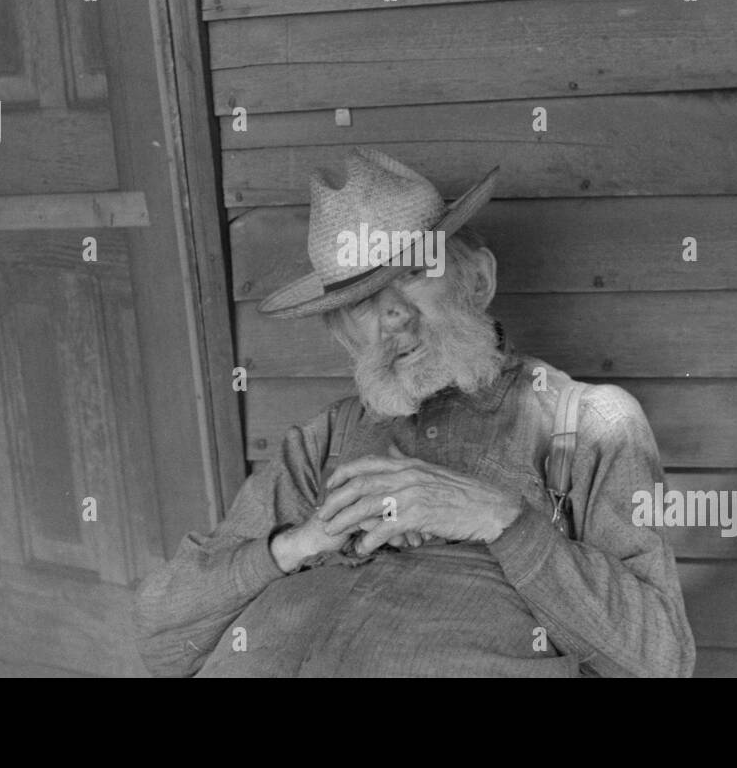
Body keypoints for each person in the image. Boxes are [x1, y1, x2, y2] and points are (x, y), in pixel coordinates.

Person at [134, 148, 695, 677]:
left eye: (412, 272)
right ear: (344, 335)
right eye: (361, 301)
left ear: (479, 278)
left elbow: (659, 659)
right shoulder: (322, 442)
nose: (394, 315)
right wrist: (301, 542)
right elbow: (161, 635)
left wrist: (499, 519)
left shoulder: (590, 424)